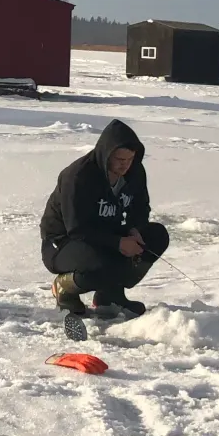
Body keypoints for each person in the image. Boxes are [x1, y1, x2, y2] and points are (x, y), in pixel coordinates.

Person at [40, 119, 169, 321]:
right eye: (119, 159)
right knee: (101, 263)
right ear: (106, 154)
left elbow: (141, 207)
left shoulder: (135, 171)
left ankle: (111, 295)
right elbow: (77, 228)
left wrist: (135, 229)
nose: (125, 165)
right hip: (65, 243)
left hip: (108, 235)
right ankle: (66, 288)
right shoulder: (77, 176)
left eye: (130, 159)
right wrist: (118, 243)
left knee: (156, 236)